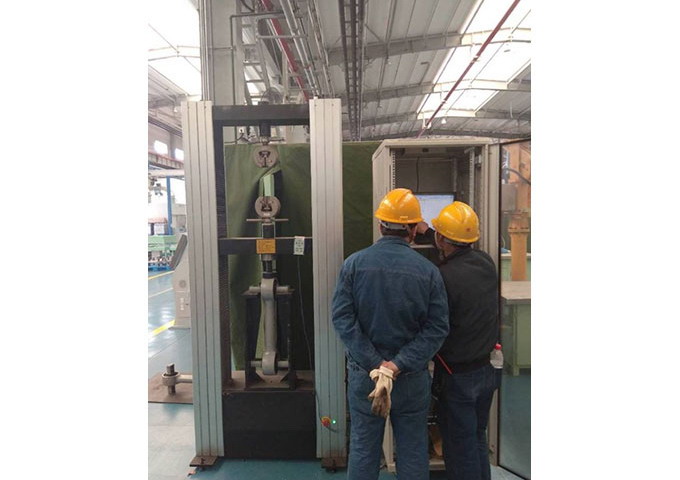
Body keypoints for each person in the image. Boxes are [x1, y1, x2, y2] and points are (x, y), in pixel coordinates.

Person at [331, 188, 450, 480]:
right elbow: (437, 328)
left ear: (380, 225)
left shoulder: (354, 264)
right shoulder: (428, 271)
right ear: (413, 229)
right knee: (412, 450)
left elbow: (343, 318)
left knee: (363, 449)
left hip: (366, 377)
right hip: (409, 378)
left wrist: (376, 365)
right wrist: (397, 365)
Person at [416, 201, 502, 480]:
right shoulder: (486, 262)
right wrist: (428, 232)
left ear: (442, 239)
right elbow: (456, 253)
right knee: (476, 438)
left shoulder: (442, 277)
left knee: (459, 447)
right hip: (487, 370)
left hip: (457, 377)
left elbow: (432, 324)